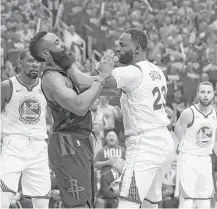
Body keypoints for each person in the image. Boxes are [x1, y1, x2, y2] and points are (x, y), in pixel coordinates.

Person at [55, 28, 174, 208]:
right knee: (151, 201)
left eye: (122, 44)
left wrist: (67, 62)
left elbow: (85, 83)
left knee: (128, 202)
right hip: (164, 141)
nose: (117, 48)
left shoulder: (131, 72)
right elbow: (104, 87)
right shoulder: (156, 70)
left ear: (137, 49)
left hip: (145, 143)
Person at [28, 31, 114, 208]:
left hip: (80, 140)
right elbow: (80, 107)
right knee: (78, 205)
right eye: (57, 43)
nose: (64, 44)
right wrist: (103, 77)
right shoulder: (51, 78)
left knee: (87, 203)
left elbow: (88, 83)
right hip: (68, 143)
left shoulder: (66, 68)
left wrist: (116, 78)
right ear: (45, 54)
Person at [1, 49, 51, 208]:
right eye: (30, 61)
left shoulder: (46, 86)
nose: (35, 64)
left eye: (38, 61)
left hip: (39, 146)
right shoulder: (7, 85)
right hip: (13, 145)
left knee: (43, 202)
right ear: (20, 63)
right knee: (3, 196)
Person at [174, 81, 217, 208]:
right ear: (197, 94)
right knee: (187, 201)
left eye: (209, 92)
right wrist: (169, 158)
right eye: (202, 92)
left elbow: (214, 141)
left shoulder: (215, 114)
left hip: (206, 160)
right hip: (188, 158)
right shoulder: (188, 113)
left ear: (213, 94)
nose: (205, 95)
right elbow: (176, 138)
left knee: (205, 202)